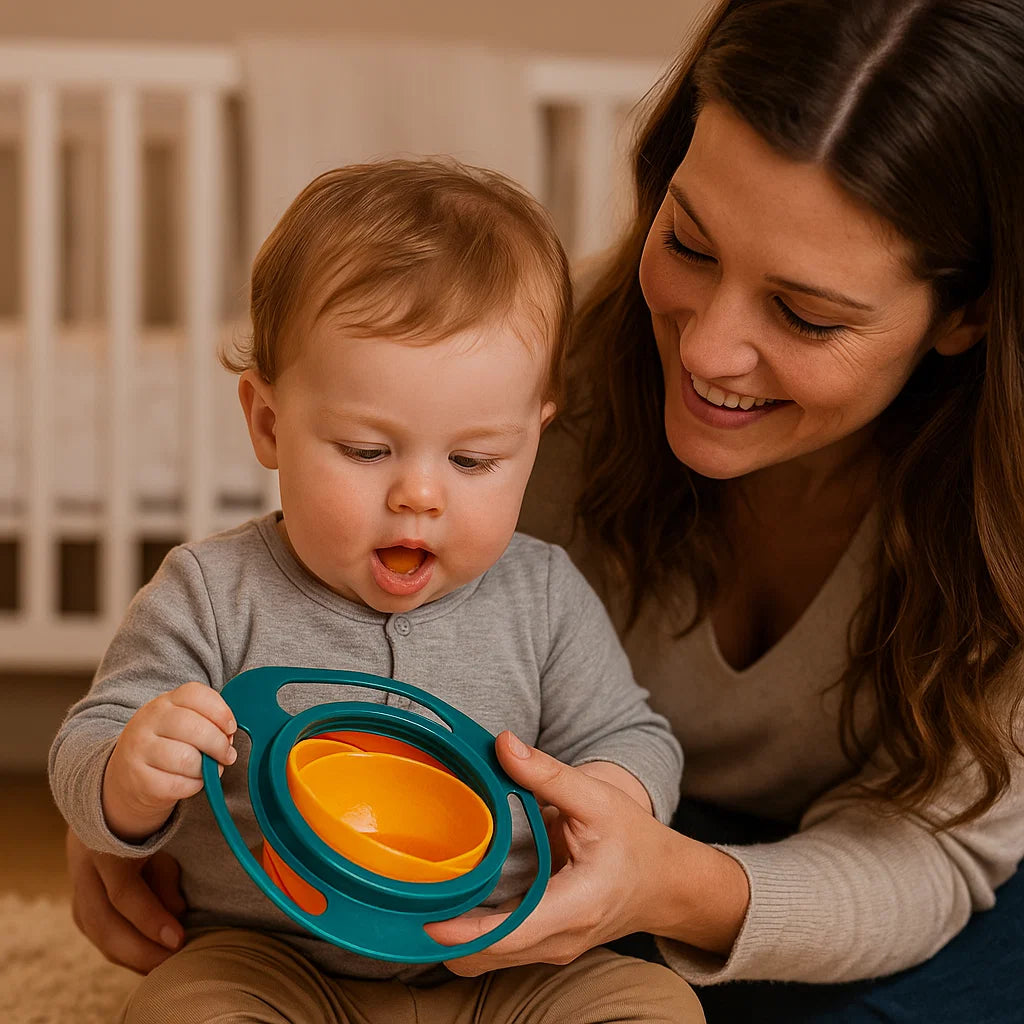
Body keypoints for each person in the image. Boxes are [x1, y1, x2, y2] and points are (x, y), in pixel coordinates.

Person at [65, 0, 1024, 1018]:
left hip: (653, 895)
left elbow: (922, 849)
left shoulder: (531, 537)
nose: (704, 350)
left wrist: (652, 855)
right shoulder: (509, 372)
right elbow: (117, 732)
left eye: (805, 313)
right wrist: (122, 792)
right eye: (689, 244)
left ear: (968, 311)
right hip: (352, 924)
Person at [48, 159, 702, 1023]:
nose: (419, 495)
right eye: (366, 451)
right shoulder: (210, 592)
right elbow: (88, 740)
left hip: (495, 966)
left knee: (656, 1005)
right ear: (269, 423)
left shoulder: (543, 595)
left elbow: (632, 734)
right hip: (272, 961)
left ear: (535, 439)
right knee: (184, 1013)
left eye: (473, 460)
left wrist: (614, 793)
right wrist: (128, 779)